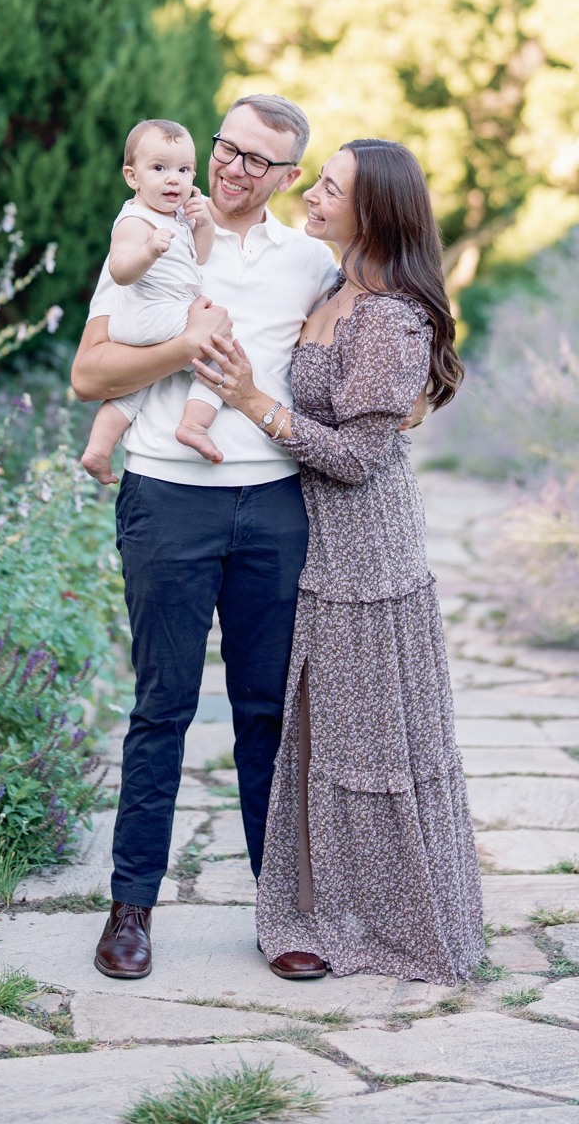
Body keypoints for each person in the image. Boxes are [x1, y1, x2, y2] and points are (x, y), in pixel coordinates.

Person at [192, 138, 485, 983]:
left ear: (373, 212)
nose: (310, 195)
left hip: (365, 551)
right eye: (316, 182)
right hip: (312, 540)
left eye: (329, 188)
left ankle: (387, 922)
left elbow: (358, 458)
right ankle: (314, 911)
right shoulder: (331, 289)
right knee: (317, 739)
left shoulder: (388, 315)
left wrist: (254, 403)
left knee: (368, 743)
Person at [70, 95, 340, 980]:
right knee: (163, 710)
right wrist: (187, 349)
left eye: (258, 160)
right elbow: (90, 374)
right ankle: (130, 910)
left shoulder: (310, 261)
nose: (232, 168)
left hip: (272, 508)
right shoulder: (148, 234)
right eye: (226, 148)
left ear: (288, 177)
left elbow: (379, 326)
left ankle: (284, 916)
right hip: (164, 501)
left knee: (269, 716)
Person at [81, 118, 233, 485]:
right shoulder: (135, 220)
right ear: (132, 177)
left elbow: (199, 258)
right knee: (222, 354)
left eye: (183, 170)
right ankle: (194, 425)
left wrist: (205, 227)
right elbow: (120, 271)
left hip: (158, 315)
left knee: (137, 386)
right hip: (150, 312)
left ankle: (98, 449)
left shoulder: (178, 216)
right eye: (159, 168)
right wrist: (148, 251)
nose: (173, 179)